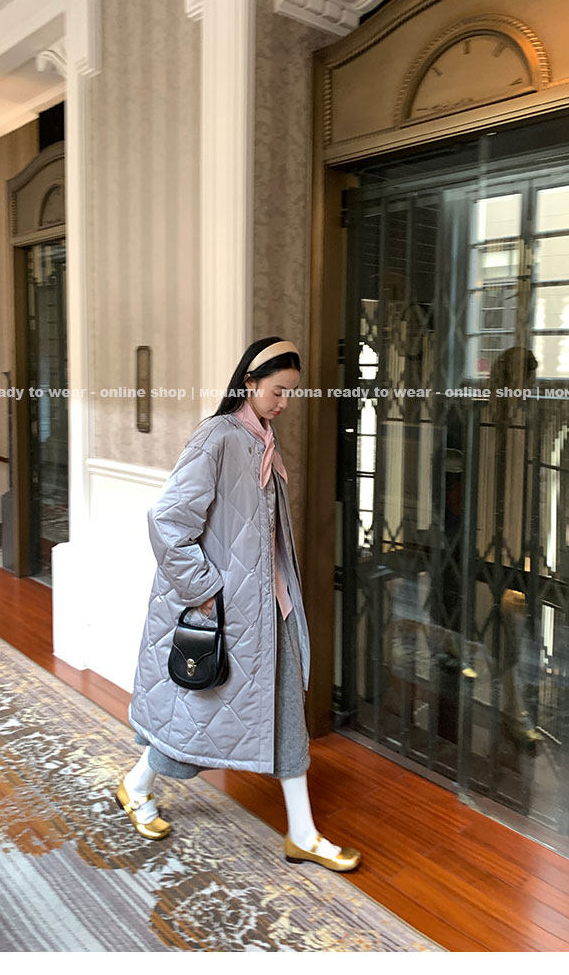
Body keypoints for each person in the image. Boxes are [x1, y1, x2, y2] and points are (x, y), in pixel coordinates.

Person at [117, 336, 361, 872]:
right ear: (249, 383)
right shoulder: (219, 437)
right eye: (278, 391)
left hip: (272, 608)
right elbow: (168, 521)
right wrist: (204, 591)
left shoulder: (261, 438)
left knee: (283, 714)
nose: (285, 403)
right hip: (227, 611)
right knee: (202, 715)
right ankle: (137, 785)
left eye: (291, 393)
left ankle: (302, 833)